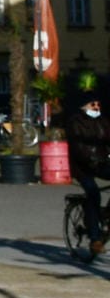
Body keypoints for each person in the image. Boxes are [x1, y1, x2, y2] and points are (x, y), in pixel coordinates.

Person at [66, 86, 110, 257]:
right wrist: (90, 159)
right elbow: (78, 147)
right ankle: (94, 239)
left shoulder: (103, 122)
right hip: (82, 167)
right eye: (93, 104)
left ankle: (106, 213)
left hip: (100, 162)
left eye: (98, 104)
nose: (96, 107)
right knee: (93, 194)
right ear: (83, 106)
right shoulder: (75, 123)